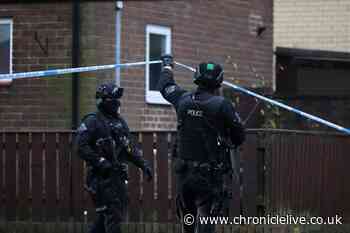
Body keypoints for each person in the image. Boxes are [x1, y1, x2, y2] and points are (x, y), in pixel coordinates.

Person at [157, 55, 245, 233]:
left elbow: (165, 87)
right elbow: (239, 137)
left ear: (197, 76)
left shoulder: (182, 99)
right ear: (219, 81)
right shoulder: (222, 105)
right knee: (206, 221)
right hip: (209, 177)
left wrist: (167, 67)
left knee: (188, 221)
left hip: (185, 175)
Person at [76, 82, 153, 233]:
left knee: (106, 218)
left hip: (117, 178)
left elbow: (129, 148)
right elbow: (80, 147)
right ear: (103, 101)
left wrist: (143, 164)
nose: (117, 103)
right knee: (113, 217)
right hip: (101, 179)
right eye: (113, 99)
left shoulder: (120, 122)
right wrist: (99, 161)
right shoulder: (92, 121)